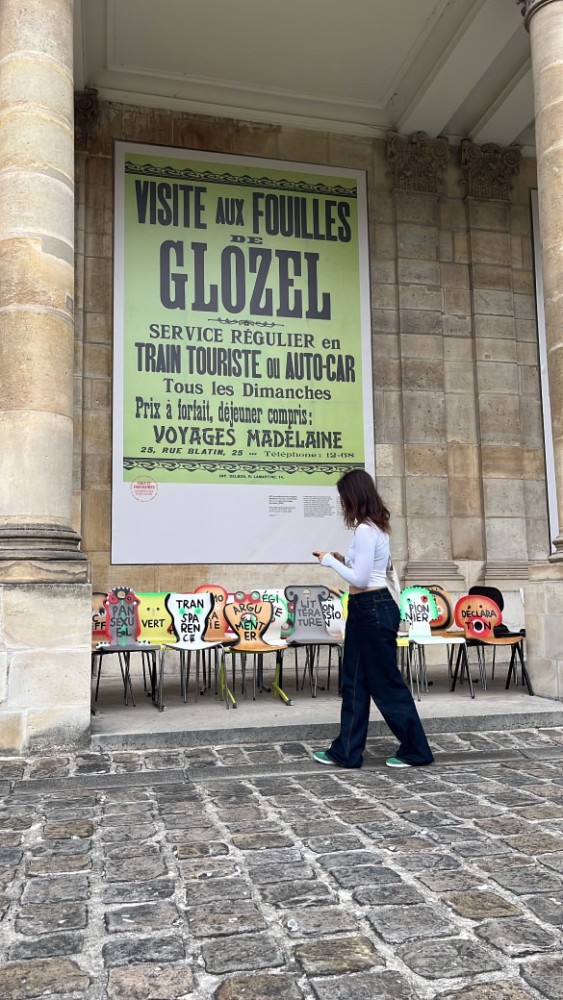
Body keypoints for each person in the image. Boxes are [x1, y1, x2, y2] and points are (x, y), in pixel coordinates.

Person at [312, 468, 433, 769]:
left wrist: (329, 563)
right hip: (367, 608)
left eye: (344, 498)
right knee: (355, 681)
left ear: (354, 497)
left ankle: (416, 750)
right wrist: (343, 560)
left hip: (371, 608)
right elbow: (365, 569)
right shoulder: (375, 528)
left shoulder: (366, 531)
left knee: (385, 682)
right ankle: (346, 751)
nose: (342, 504)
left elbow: (362, 579)